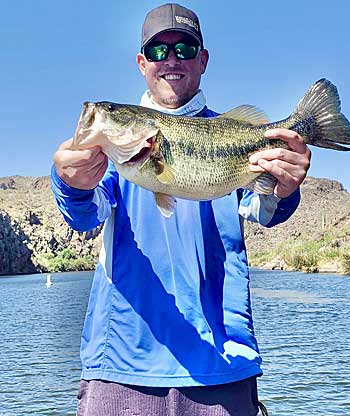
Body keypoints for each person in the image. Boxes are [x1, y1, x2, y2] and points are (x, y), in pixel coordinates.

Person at [51, 3, 311, 415]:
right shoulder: (110, 153)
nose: (170, 60)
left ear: (202, 59)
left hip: (222, 365)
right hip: (122, 367)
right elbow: (84, 216)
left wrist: (285, 185)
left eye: (184, 48)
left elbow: (264, 211)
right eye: (158, 51)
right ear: (141, 63)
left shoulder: (232, 133)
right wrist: (69, 183)